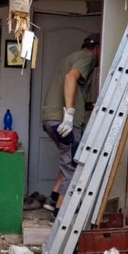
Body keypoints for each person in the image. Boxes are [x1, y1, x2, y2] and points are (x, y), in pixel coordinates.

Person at [40, 33, 102, 216]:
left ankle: (53, 199)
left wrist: (88, 106)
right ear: (97, 48)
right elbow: (70, 78)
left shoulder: (70, 57)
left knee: (67, 161)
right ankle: (60, 214)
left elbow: (73, 88)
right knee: (73, 168)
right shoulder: (87, 57)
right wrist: (69, 114)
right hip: (64, 121)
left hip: (50, 119)